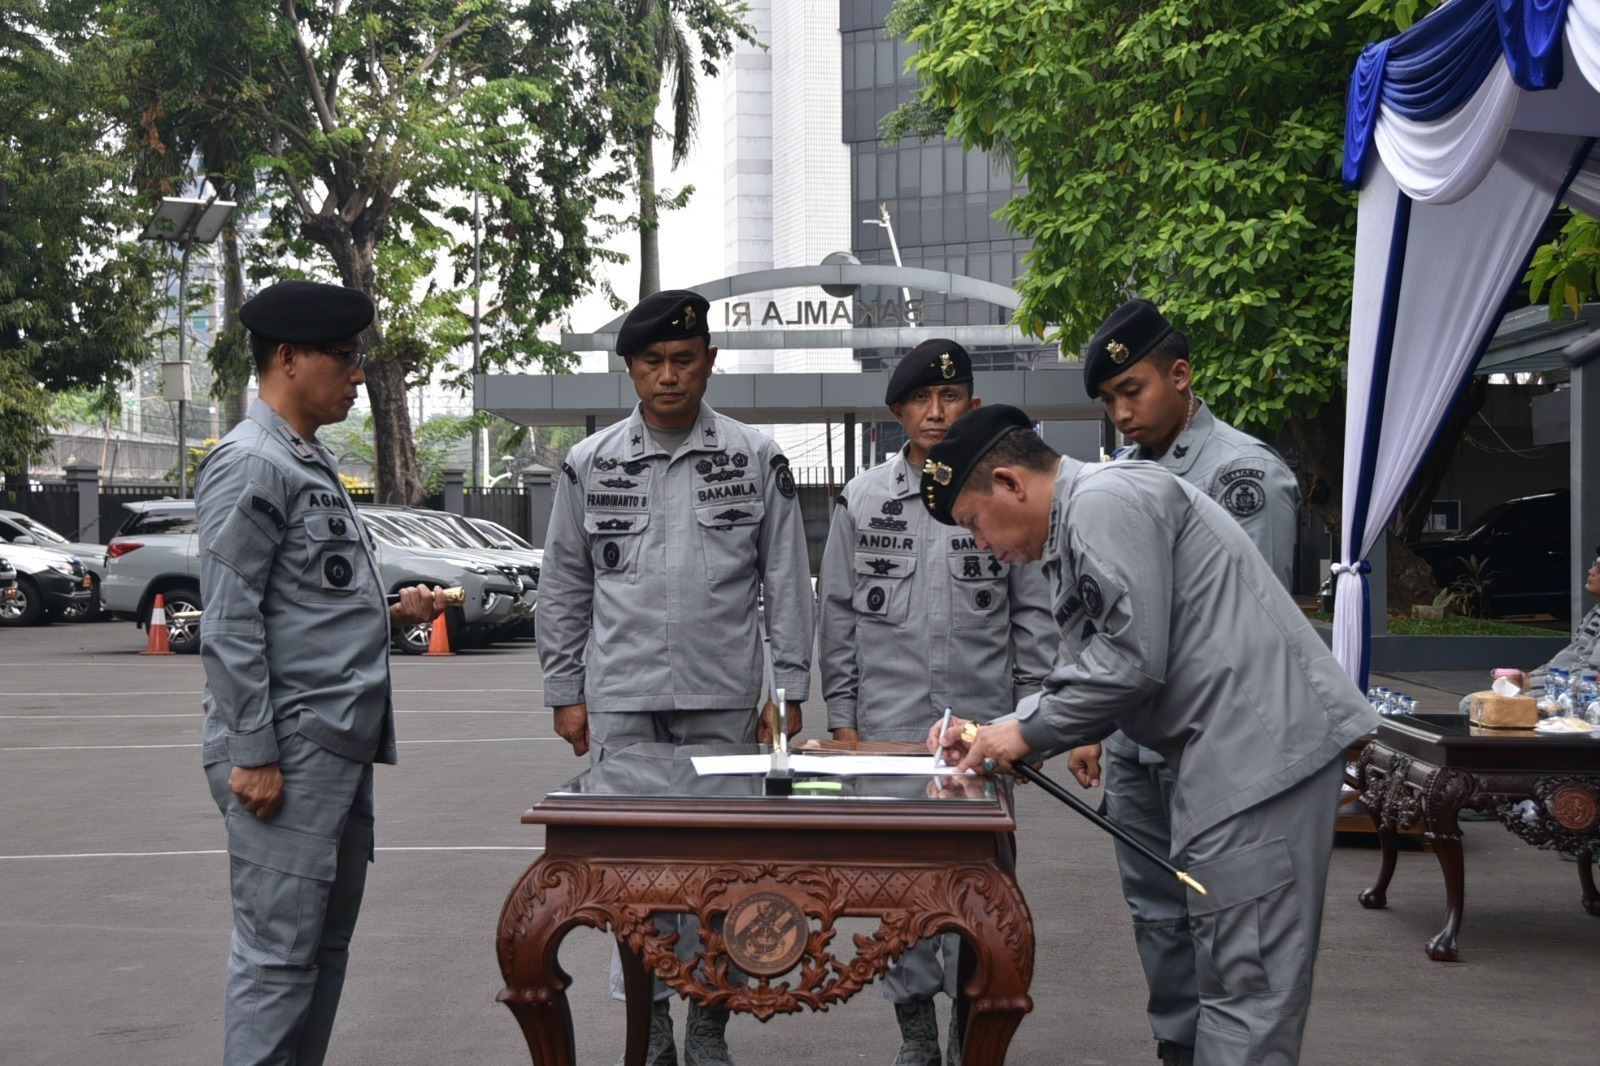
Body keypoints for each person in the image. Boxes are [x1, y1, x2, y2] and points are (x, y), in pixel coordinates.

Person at [921, 404, 1377, 1066]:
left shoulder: (1104, 502)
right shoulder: (1080, 523)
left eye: (974, 524)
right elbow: (1091, 665)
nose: (983, 547)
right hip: (1227, 757)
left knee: (1247, 992)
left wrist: (1021, 734)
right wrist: (1006, 728)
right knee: (1227, 979)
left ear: (1011, 483)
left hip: (1257, 755)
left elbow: (1129, 664)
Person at [537, 288, 815, 1066]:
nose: (669, 376)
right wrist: (565, 691)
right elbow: (564, 585)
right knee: (635, 881)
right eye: (653, 361)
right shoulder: (590, 464)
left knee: (722, 875)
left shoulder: (757, 459)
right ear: (629, 368)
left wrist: (785, 698)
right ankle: (650, 1032)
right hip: (622, 706)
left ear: (710, 364)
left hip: (724, 706)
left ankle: (708, 1026)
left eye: (684, 360)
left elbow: (786, 584)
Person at [196, 279, 450, 1066]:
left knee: (320, 953)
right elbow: (230, 619)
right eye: (345, 358)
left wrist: (394, 611)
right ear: (287, 357)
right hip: (290, 754)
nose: (358, 374)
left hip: (335, 748)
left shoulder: (307, 460)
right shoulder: (251, 464)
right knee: (277, 962)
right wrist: (254, 752)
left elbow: (304, 602)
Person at [1070, 298, 1299, 1066]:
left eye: (1131, 390)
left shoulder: (1244, 474)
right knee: (1158, 913)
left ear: (1181, 375)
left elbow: (1248, 635)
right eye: (1108, 401)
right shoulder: (1122, 481)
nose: (1121, 412)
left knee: (1230, 920)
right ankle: (1178, 1046)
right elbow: (1111, 619)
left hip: (1217, 751)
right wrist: (1098, 727)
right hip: (1140, 749)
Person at [817, 339, 1055, 1066]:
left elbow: (1033, 616)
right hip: (889, 734)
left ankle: (967, 1031)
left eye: (951, 398)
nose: (936, 411)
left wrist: (1033, 722)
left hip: (985, 733)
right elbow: (839, 615)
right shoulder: (863, 498)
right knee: (901, 897)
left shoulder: (1000, 491)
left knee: (982, 893)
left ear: (972, 405)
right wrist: (844, 719)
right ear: (897, 412)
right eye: (922, 399)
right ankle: (917, 1032)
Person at [1458, 548, 1600, 711]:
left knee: (1478, 706)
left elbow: (1586, 676)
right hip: (1561, 686)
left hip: (1577, 695)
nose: (1591, 571)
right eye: (1594, 565)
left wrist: (1530, 682)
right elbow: (1567, 657)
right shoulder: (1595, 611)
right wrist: (1531, 676)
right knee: (1474, 703)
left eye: (1598, 568)